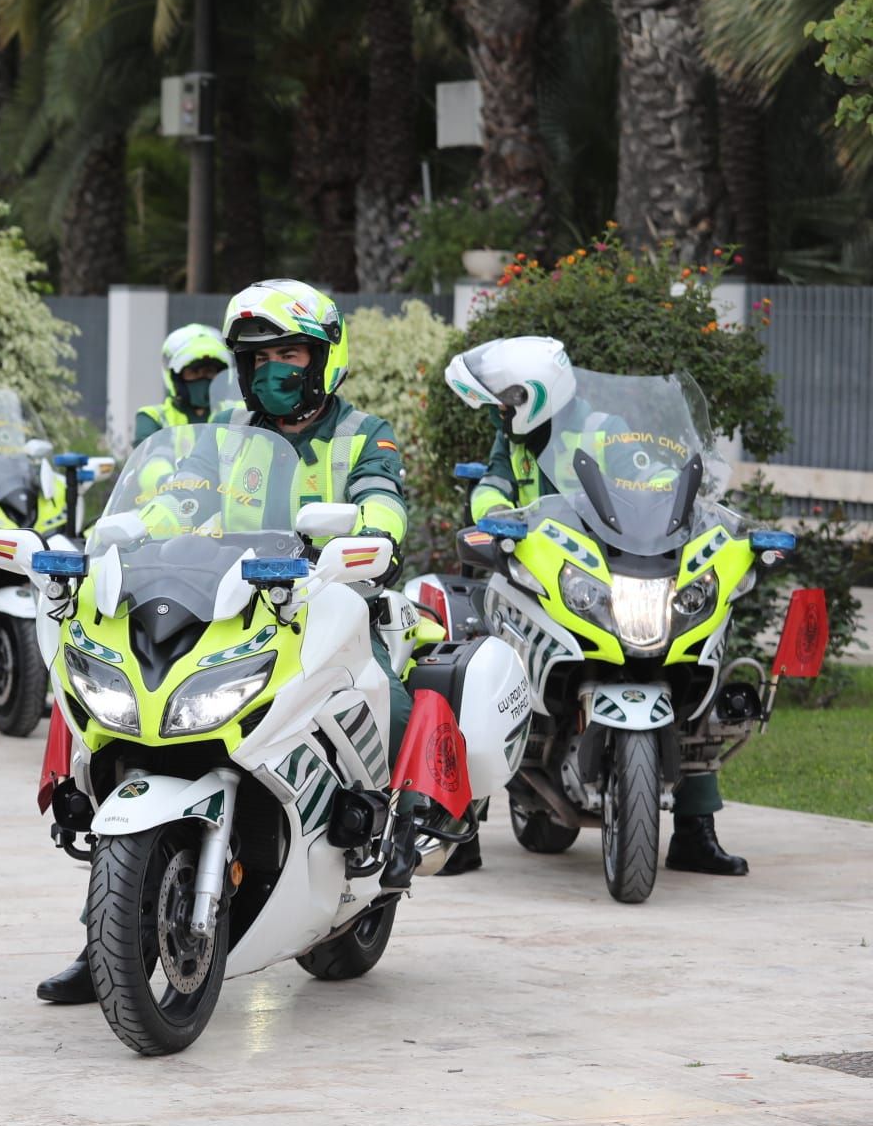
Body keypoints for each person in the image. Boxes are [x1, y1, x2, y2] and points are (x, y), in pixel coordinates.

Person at [36, 278, 418, 1005]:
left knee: (385, 698)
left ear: (323, 358)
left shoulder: (366, 433)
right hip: (236, 608)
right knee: (132, 722)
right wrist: (127, 531)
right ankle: (107, 938)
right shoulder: (229, 441)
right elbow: (178, 498)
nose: (275, 367)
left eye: (290, 353)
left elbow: (383, 502)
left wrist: (373, 538)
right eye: (259, 355)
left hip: (333, 602)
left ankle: (380, 838)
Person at [445, 335, 746, 877]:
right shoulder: (514, 441)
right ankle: (460, 829)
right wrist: (495, 518)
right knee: (481, 668)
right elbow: (490, 487)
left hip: (616, 568)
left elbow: (649, 469)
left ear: (531, 394)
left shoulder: (603, 428)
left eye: (505, 403)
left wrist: (677, 495)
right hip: (541, 569)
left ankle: (696, 831)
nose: (498, 413)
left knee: (686, 659)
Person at [133, 324, 232, 444]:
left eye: (209, 371)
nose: (202, 378)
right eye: (194, 371)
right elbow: (149, 457)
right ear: (176, 377)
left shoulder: (236, 414)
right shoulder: (154, 417)